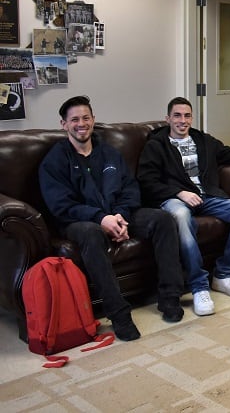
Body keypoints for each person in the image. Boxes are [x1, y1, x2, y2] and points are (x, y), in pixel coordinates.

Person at [38, 95, 185, 341]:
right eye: (74, 119)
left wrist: (121, 216)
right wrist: (101, 218)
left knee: (162, 219)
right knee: (92, 233)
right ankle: (118, 313)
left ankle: (169, 297)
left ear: (94, 120)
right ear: (63, 124)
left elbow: (130, 188)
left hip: (117, 213)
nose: (81, 124)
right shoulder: (54, 161)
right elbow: (61, 205)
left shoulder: (109, 153)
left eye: (86, 118)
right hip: (80, 222)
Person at [137, 97, 230, 317]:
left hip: (206, 196)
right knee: (180, 215)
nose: (183, 120)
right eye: (177, 115)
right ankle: (199, 285)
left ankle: (223, 274)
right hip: (175, 198)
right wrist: (179, 193)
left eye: (187, 115)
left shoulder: (203, 140)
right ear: (167, 118)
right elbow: (147, 180)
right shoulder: (156, 145)